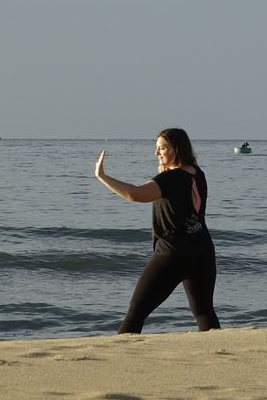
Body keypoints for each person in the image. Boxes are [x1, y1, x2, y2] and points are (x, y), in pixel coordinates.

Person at [94, 128, 220, 334]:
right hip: (202, 252)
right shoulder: (197, 173)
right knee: (204, 311)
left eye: (162, 148)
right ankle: (219, 353)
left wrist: (102, 177)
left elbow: (136, 194)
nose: (157, 153)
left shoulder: (170, 179)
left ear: (176, 149)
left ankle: (118, 355)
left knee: (137, 310)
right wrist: (164, 172)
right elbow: (180, 203)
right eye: (156, 148)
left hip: (173, 254)